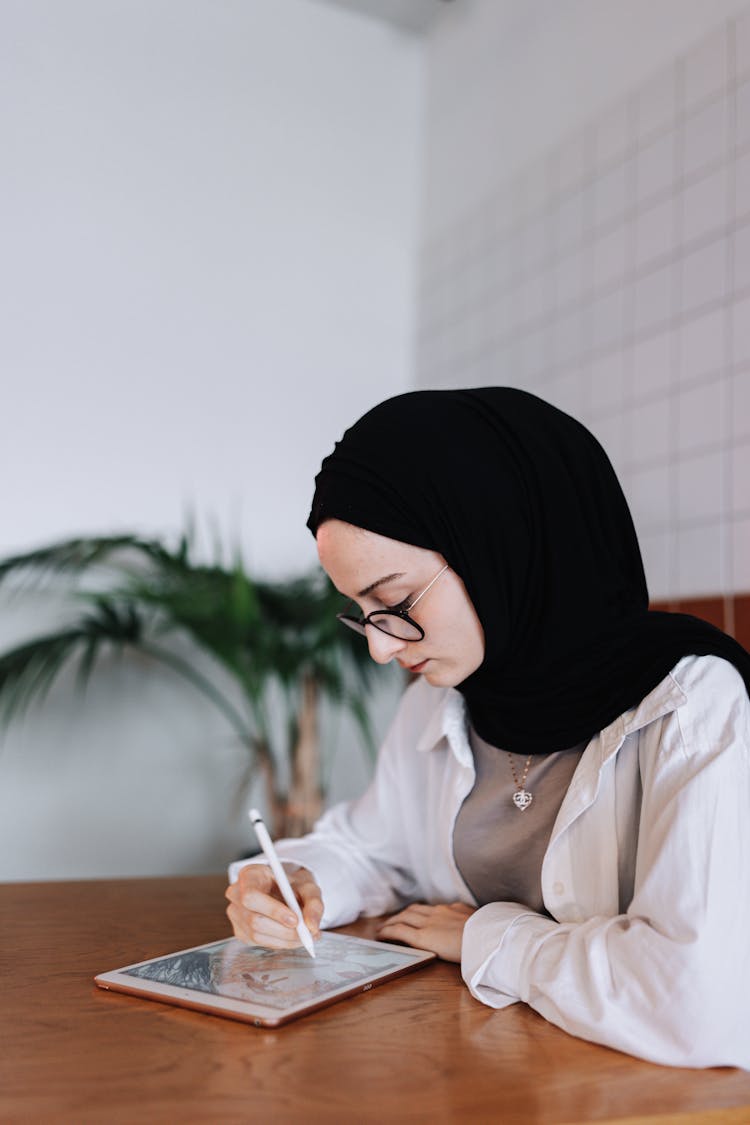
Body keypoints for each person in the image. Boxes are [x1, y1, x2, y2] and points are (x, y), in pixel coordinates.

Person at [225, 387, 750, 1069]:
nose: (381, 647)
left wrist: (490, 936)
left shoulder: (691, 706)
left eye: (393, 601)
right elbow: (373, 849)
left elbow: (697, 1001)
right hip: (486, 1076)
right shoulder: (447, 696)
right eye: (361, 611)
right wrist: (300, 881)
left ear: (500, 542)